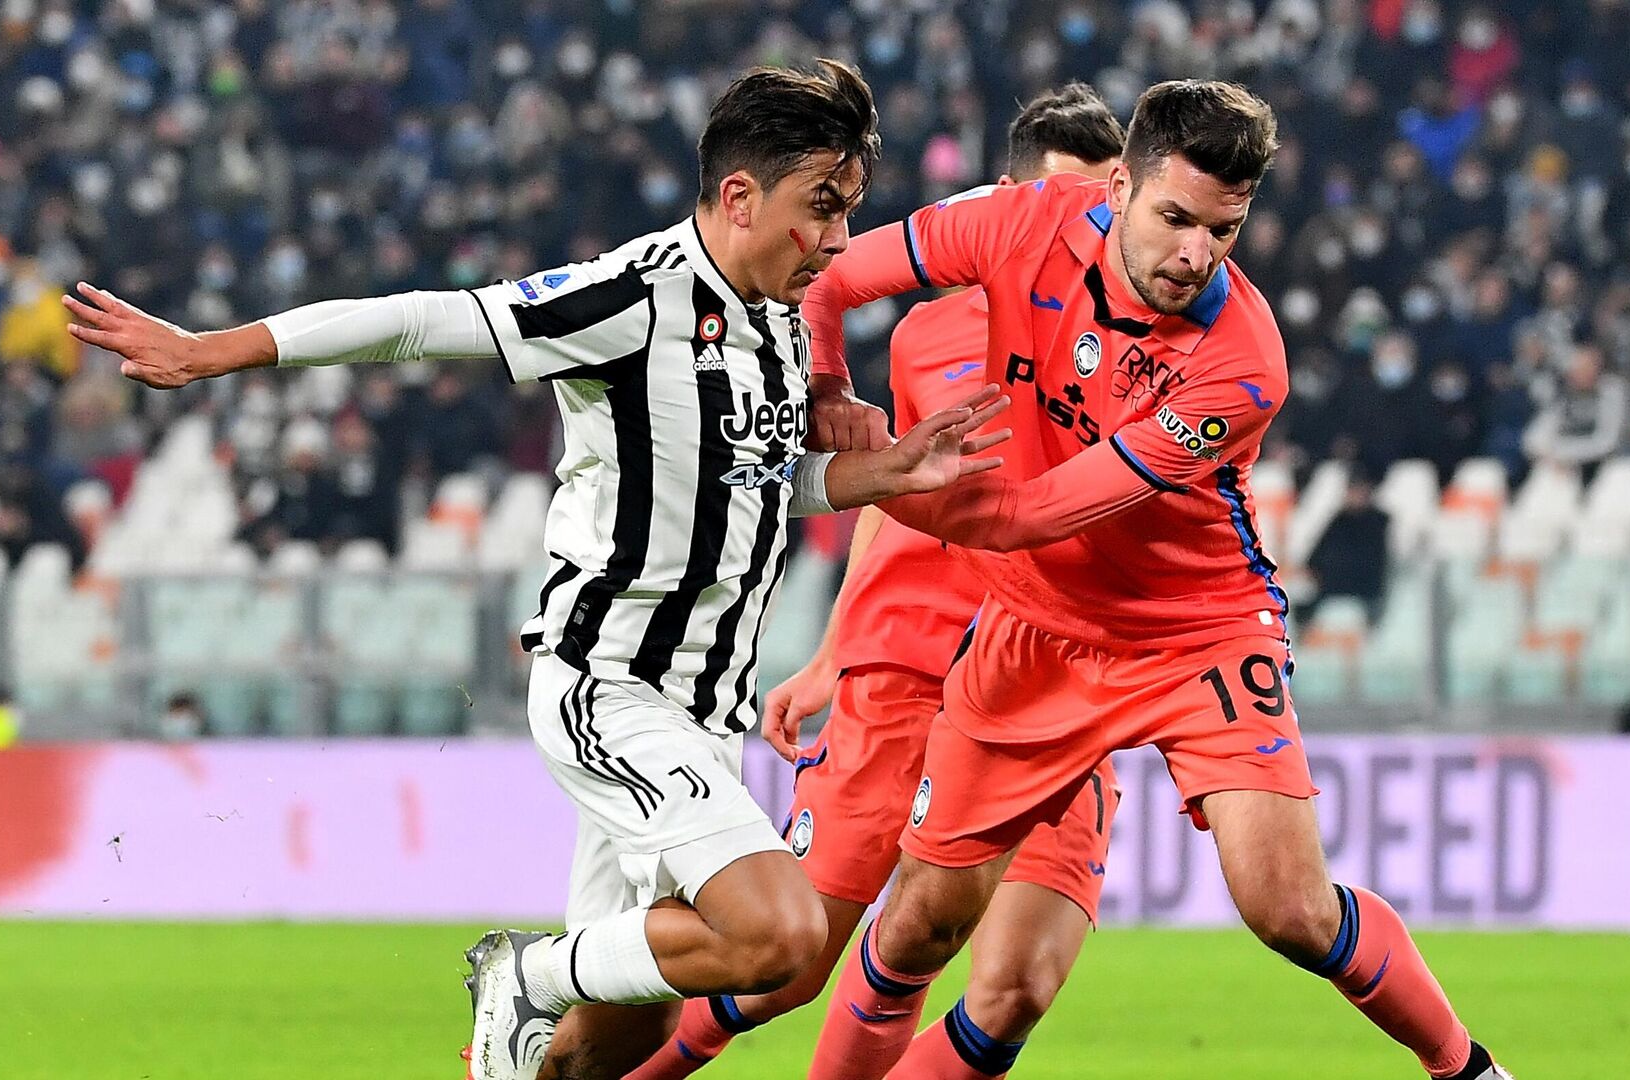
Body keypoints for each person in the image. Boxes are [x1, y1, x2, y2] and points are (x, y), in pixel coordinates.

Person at [64, 60, 1009, 1080]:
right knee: (783, 938)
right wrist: (215, 352)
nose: (836, 240)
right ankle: (528, 976)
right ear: (740, 196)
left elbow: (756, 482)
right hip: (612, 687)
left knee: (613, 1046)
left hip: (704, 711)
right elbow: (427, 322)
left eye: (848, 212)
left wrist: (877, 473)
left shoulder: (776, 318)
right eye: (821, 209)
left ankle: (534, 1019)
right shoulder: (633, 296)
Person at [800, 80, 1511, 1080]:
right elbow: (826, 281)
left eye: (1222, 230)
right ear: (1119, 185)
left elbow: (1032, 514)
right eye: (1175, 218)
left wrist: (846, 485)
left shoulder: (1242, 363)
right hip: (1037, 633)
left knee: (1292, 910)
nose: (1194, 253)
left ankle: (1468, 1070)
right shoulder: (1019, 223)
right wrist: (828, 387)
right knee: (919, 926)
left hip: (1199, 632)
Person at [617, 82, 1127, 1080]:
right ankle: (579, 1057)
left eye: (1101, 204)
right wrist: (834, 654)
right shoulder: (928, 334)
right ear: (1005, 204)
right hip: (909, 670)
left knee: (1015, 988)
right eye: (1062, 204)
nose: (1084, 227)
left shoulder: (1136, 345)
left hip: (1058, 684)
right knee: (786, 963)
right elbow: (896, 513)